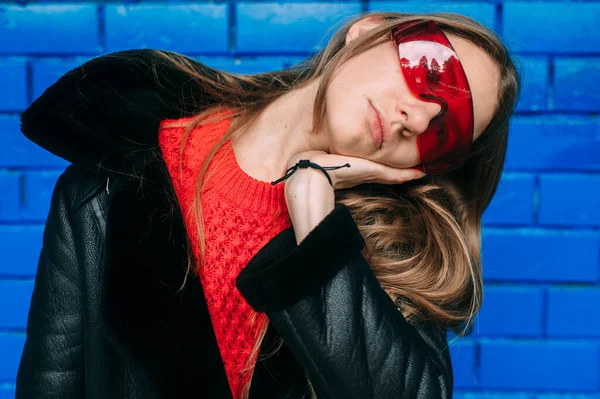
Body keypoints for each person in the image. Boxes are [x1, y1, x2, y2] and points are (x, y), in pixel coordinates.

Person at [15, 10, 520, 399]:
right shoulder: (108, 178)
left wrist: (316, 222)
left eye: (446, 133)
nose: (422, 114)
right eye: (431, 71)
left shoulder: (403, 252)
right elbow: (54, 378)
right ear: (367, 31)